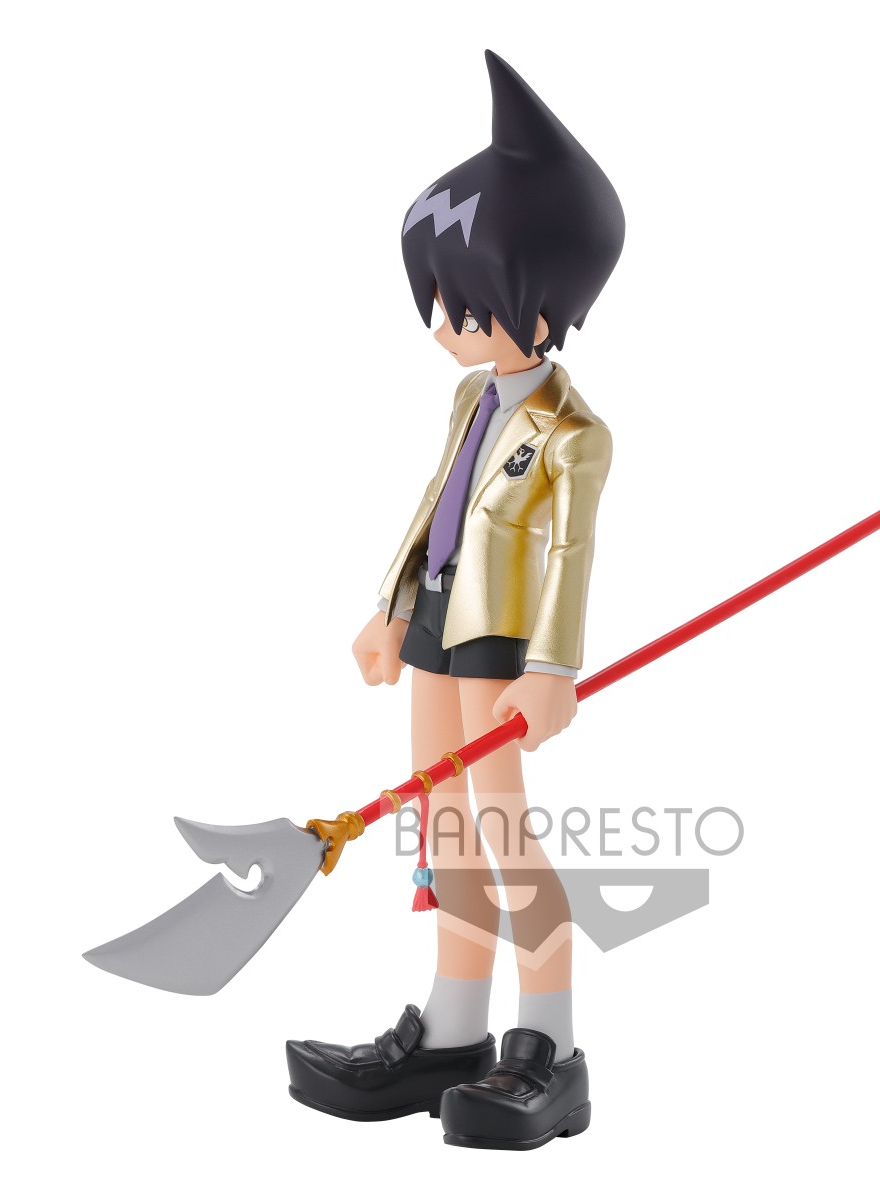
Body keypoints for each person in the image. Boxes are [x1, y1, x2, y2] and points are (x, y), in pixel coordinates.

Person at [285, 49, 625, 1151]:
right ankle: (453, 1030)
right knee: (444, 831)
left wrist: (554, 670)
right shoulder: (470, 398)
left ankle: (550, 1047)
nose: (445, 321)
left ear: (545, 301)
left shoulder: (574, 437)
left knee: (505, 834)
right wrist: (391, 610)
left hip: (502, 648)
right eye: (440, 298)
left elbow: (571, 555)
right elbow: (435, 506)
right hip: (436, 628)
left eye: (466, 303)